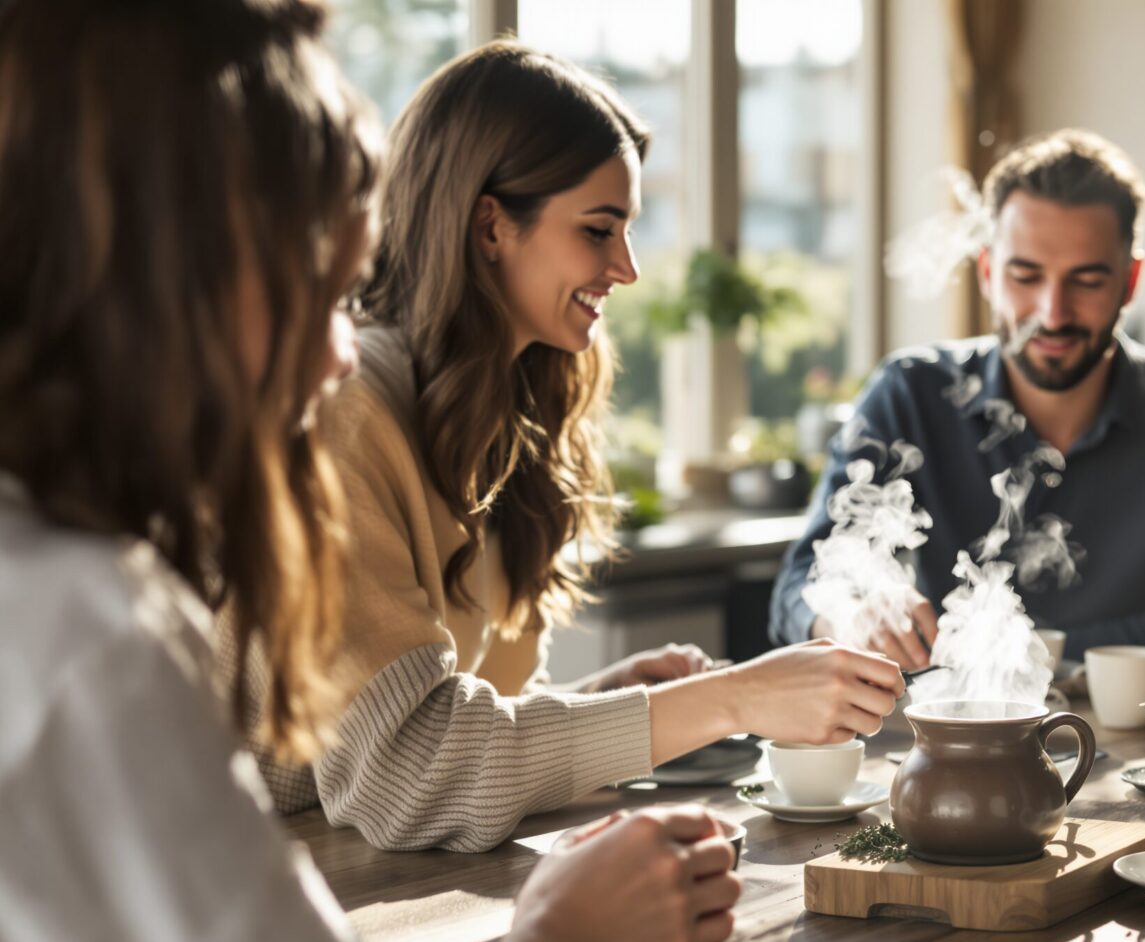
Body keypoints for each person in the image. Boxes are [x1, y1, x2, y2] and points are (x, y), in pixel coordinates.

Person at [0, 2, 740, 942]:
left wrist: (596, 712)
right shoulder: (82, 637)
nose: (343, 356)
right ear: (183, 268)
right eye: (320, 287)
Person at [244, 42, 904, 853]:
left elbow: (445, 727)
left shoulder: (501, 414)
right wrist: (734, 700)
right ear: (491, 225)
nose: (624, 268)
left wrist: (606, 702)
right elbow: (408, 774)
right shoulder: (346, 412)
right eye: (599, 229)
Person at [770, 129, 1145, 671]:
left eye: (1087, 280)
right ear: (987, 273)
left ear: (1131, 280)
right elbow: (798, 591)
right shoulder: (910, 394)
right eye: (1026, 276)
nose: (1052, 313)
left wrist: (982, 651)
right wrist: (843, 615)